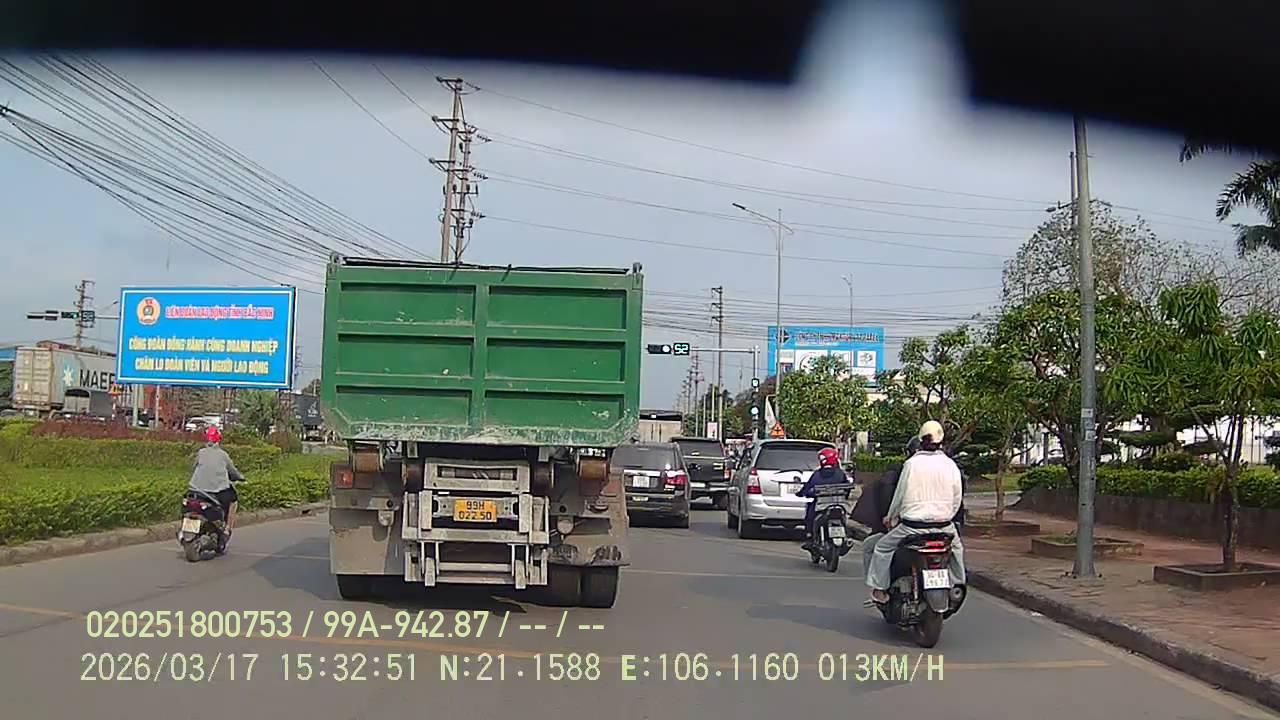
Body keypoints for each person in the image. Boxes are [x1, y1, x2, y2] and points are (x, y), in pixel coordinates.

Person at [865, 421, 966, 604]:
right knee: (957, 549)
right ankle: (958, 583)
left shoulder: (911, 464)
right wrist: (947, 516)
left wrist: (891, 517)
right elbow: (957, 496)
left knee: (881, 548)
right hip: (944, 526)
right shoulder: (950, 465)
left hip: (912, 527)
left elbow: (900, 495)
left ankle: (879, 589)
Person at [189, 426, 244, 539]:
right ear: (219, 439)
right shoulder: (223, 455)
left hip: (196, 489)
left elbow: (194, 467)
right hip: (216, 491)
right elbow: (232, 471)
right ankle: (227, 529)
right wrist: (241, 477)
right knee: (233, 501)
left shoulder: (201, 452)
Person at [798, 447, 851, 550]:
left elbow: (807, 488)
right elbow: (847, 489)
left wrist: (802, 493)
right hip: (839, 504)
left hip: (821, 506)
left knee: (810, 514)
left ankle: (810, 536)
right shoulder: (840, 473)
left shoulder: (817, 474)